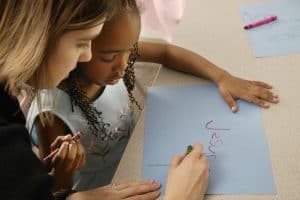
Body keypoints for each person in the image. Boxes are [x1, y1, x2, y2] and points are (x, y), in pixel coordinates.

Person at [27, 0, 278, 196]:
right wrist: (64, 168)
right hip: (110, 189)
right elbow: (57, 191)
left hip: (143, 151)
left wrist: (222, 76)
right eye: (109, 58)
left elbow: (166, 51)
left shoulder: (115, 48)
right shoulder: (51, 115)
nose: (124, 65)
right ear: (79, 46)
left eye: (130, 50)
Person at [0, 1, 209, 200]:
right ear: (38, 35)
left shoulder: (9, 103)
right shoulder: (39, 121)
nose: (86, 56)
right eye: (82, 43)